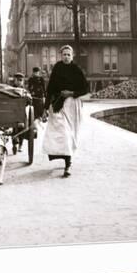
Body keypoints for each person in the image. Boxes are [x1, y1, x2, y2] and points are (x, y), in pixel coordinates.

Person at [42, 45, 89, 178]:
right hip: (58, 104)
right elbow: (50, 89)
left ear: (72, 56)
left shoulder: (76, 70)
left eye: (69, 54)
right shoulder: (57, 68)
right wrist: (45, 108)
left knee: (69, 134)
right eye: (64, 54)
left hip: (72, 105)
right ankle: (67, 162)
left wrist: (71, 93)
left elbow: (85, 89)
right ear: (60, 55)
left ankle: (68, 162)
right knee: (62, 133)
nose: (66, 57)